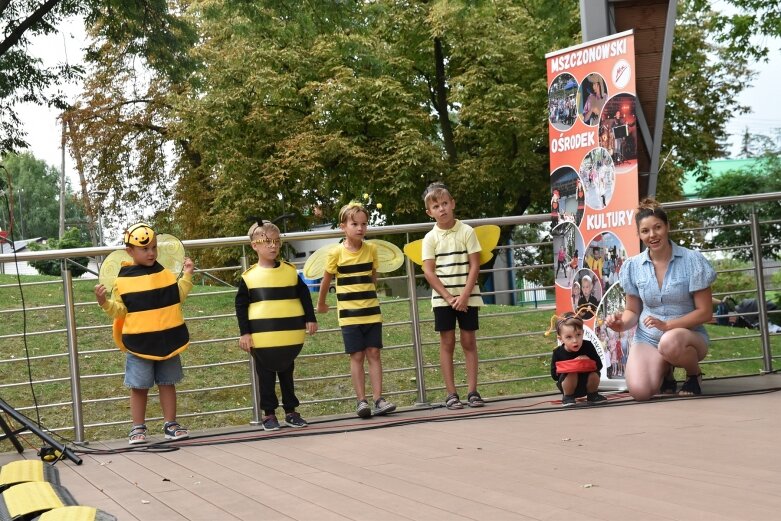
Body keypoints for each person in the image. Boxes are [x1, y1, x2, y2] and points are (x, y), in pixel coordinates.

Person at [605, 198, 716, 400]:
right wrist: (620, 324)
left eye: (657, 227)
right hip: (648, 337)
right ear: (639, 234)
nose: (652, 235)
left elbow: (705, 312)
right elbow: (633, 311)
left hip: (686, 337)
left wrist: (668, 325)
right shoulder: (633, 266)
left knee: (670, 341)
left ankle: (693, 375)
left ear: (667, 227)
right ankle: (666, 371)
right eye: (645, 231)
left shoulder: (692, 260)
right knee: (640, 392)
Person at [94, 223, 194, 444]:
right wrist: (104, 302)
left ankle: (171, 423)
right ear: (130, 251)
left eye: (154, 247)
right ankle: (137, 428)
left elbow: (176, 296)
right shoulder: (123, 281)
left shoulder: (165, 274)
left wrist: (186, 277)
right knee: (139, 387)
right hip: (140, 343)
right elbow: (120, 310)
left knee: (168, 382)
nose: (150, 253)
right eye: (144, 249)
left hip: (168, 340)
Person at [317, 202, 397, 418]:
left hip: (371, 312)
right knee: (357, 355)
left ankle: (379, 399)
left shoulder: (371, 249)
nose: (360, 228)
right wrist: (321, 303)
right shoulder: (336, 253)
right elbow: (326, 281)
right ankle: (361, 401)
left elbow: (373, 276)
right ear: (343, 226)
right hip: (349, 315)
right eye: (354, 224)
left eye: (364, 224)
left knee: (374, 353)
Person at [235, 220, 317, 431]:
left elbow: (304, 294)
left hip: (287, 339)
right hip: (262, 340)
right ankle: (269, 414)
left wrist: (310, 318)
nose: (273, 246)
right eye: (267, 241)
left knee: (287, 374)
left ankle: (291, 411)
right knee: (266, 377)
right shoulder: (249, 277)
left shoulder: (290, 272)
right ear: (255, 245)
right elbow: (241, 306)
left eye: (277, 242)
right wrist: (245, 333)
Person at [421, 182, 486, 409]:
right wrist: (449, 298)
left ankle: (472, 391)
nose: (442, 209)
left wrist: (465, 295)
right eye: (436, 206)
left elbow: (475, 264)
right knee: (447, 342)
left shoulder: (467, 231)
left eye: (445, 203)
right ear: (430, 212)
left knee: (469, 341)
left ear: (453, 203)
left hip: (468, 296)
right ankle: (451, 393)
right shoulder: (430, 238)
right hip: (443, 300)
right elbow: (428, 271)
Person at [550, 313, 607, 406]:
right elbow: (554, 376)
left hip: (586, 384)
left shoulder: (588, 346)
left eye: (578, 335)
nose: (575, 340)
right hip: (567, 386)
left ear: (583, 333)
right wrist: (571, 366)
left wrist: (588, 360)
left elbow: (599, 365)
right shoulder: (558, 352)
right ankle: (568, 397)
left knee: (594, 374)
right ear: (561, 339)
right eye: (569, 337)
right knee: (572, 373)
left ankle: (593, 395)